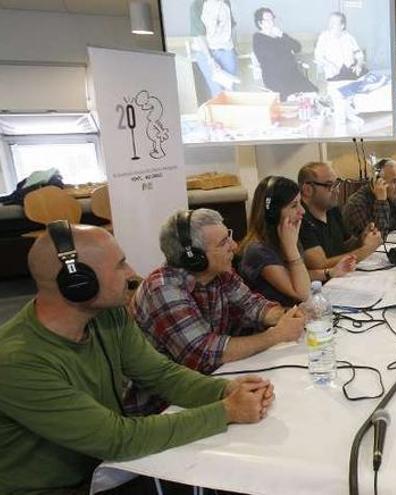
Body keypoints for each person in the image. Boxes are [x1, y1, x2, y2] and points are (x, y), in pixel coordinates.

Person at [0, 222, 274, 494]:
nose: (131, 273)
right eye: (119, 265)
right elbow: (116, 439)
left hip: (104, 468)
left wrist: (228, 390)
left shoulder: (108, 315)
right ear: (77, 283)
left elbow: (162, 374)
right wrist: (227, 410)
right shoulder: (16, 361)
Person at [128, 209, 305, 415]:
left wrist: (289, 316)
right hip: (163, 408)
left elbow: (254, 306)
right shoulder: (163, 289)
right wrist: (277, 335)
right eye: (223, 243)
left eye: (228, 236)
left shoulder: (219, 273)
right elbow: (204, 354)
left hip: (211, 382)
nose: (235, 246)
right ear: (195, 258)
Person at [238, 176, 356, 306]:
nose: (302, 211)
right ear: (273, 214)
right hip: (275, 322)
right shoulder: (258, 251)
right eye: (294, 205)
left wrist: (330, 272)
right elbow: (303, 293)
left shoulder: (283, 237)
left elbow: (295, 275)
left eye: (300, 203)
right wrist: (291, 248)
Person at [298, 162, 383, 274]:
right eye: (330, 186)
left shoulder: (332, 209)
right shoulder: (299, 218)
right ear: (308, 189)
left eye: (337, 184)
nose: (337, 190)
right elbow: (320, 265)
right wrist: (367, 249)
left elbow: (347, 244)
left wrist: (362, 239)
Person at [252, 7, 318, 100]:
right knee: (291, 99)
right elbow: (272, 55)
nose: (271, 22)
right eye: (267, 20)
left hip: (292, 74)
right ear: (260, 23)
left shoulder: (279, 35)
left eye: (272, 19)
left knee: (312, 93)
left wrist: (281, 35)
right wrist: (283, 44)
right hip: (276, 77)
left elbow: (297, 47)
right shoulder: (258, 38)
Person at [343, 158, 396, 238]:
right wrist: (381, 201)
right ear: (378, 181)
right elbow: (379, 238)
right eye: (395, 181)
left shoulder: (390, 195)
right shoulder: (357, 204)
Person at [192, 0, 239, 97]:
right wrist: (210, 59)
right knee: (217, 90)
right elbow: (199, 35)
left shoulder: (226, 2)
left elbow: (232, 26)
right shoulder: (197, 5)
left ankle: (232, 112)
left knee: (231, 88)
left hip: (226, 49)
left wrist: (234, 47)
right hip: (205, 52)